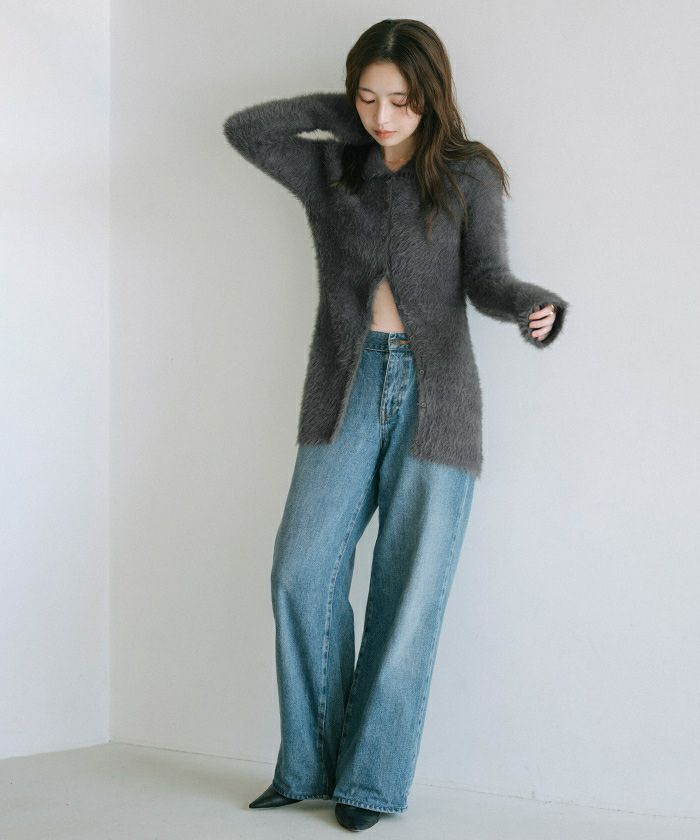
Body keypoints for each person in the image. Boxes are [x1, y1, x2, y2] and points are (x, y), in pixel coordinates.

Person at [223, 18, 568, 832]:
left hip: (436, 399)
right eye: (369, 98)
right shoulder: (331, 168)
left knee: (407, 599)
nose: (384, 117)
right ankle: (309, 767)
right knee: (300, 573)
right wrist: (345, 115)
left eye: (402, 100)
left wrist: (531, 305)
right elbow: (247, 130)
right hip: (344, 389)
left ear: (432, 96)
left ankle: (369, 785)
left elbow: (487, 277)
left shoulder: (466, 173)